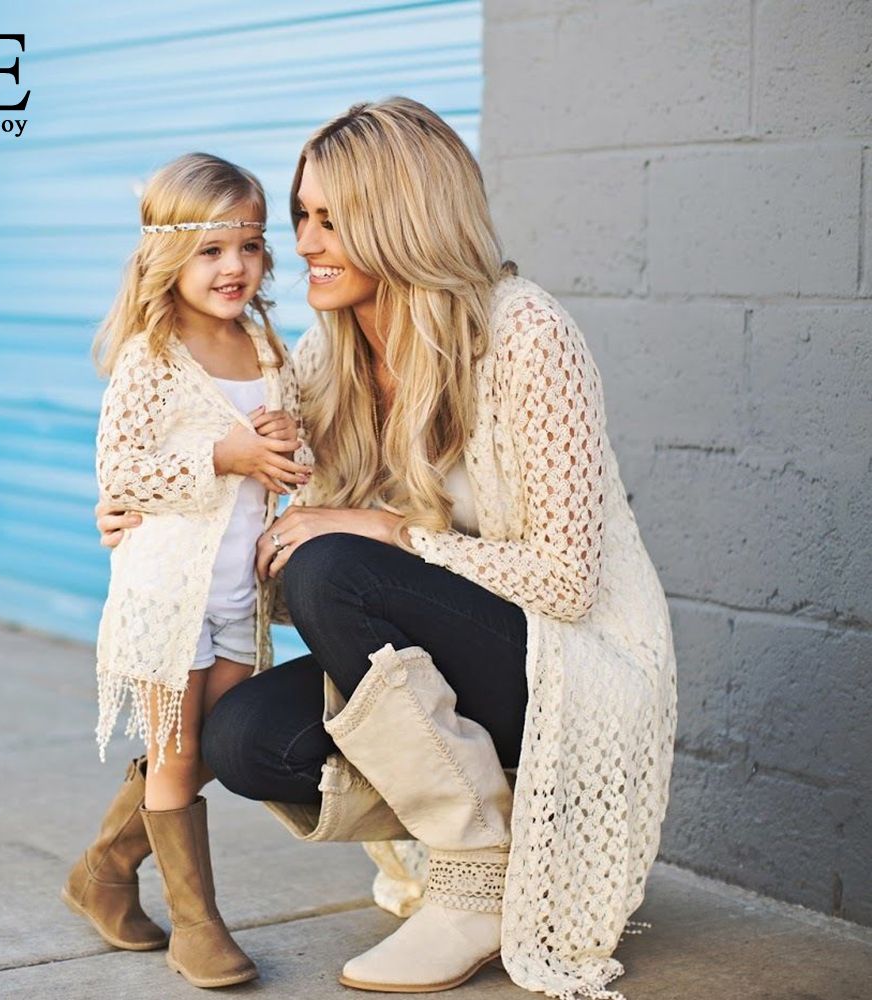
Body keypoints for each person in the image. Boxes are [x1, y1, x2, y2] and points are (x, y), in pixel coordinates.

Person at [98, 98, 677, 1000]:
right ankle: (486, 838)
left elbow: (568, 582)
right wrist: (159, 516)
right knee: (244, 738)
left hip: (566, 663)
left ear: (404, 221)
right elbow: (281, 549)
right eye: (301, 215)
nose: (303, 244)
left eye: (334, 220)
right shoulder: (320, 359)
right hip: (441, 655)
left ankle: (476, 876)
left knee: (339, 560)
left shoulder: (524, 331)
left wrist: (390, 531)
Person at [62, 152, 313, 989]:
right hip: (166, 592)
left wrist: (284, 450)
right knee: (174, 754)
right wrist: (227, 452)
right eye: (210, 250)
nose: (233, 266)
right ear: (170, 256)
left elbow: (289, 452)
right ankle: (198, 928)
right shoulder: (153, 354)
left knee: (213, 742)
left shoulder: (265, 343)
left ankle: (102, 870)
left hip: (237, 590)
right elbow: (123, 473)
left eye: (247, 244)